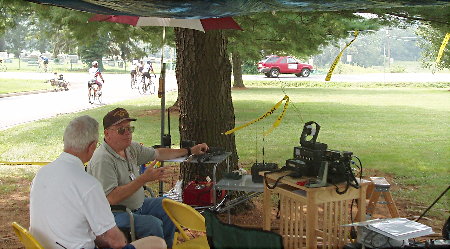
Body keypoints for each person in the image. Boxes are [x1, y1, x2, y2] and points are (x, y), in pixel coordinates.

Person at [29, 115, 166, 249]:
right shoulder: (88, 185)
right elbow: (116, 242)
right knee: (158, 243)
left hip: (42, 245)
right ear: (92, 147)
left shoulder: (41, 174)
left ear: (65, 140)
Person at [87, 107, 209, 248]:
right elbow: (111, 198)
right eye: (121, 130)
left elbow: (158, 153)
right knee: (153, 224)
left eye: (129, 129)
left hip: (137, 205)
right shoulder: (103, 160)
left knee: (167, 206)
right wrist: (143, 179)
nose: (127, 133)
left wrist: (190, 151)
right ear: (107, 133)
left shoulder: (130, 148)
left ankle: (166, 246)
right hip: (113, 214)